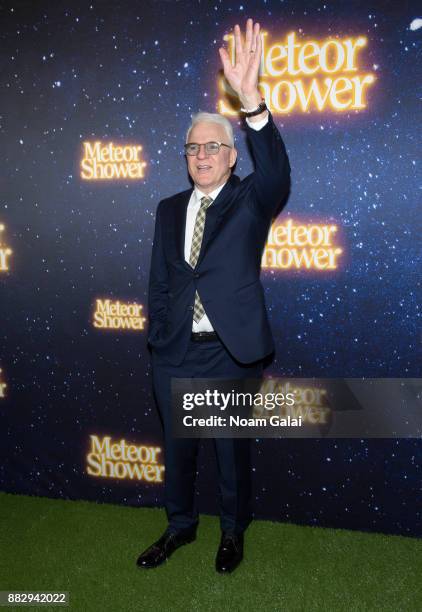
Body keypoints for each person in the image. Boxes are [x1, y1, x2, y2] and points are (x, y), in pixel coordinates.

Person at [137, 18, 291, 573]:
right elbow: (161, 278)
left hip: (229, 351)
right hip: (174, 349)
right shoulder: (168, 209)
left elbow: (276, 171)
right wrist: (158, 336)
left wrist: (251, 102)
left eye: (213, 147)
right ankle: (179, 528)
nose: (201, 155)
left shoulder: (252, 198)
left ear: (232, 155)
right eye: (192, 148)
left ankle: (232, 533)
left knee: (231, 454)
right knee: (178, 451)